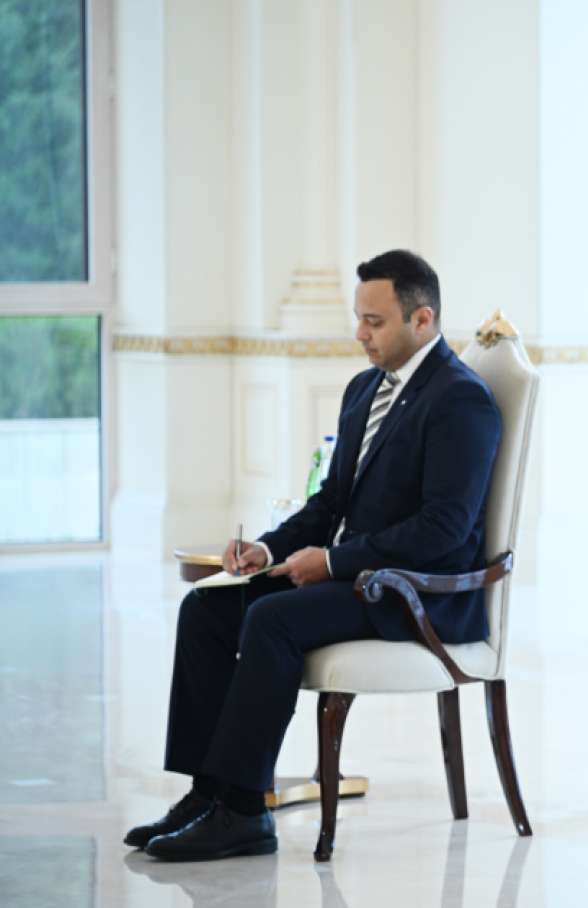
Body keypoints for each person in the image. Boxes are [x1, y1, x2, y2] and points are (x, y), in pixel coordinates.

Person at [126, 249, 502, 861]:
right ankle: (208, 793)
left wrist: (329, 564)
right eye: (359, 318)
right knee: (206, 610)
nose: (360, 334)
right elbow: (331, 502)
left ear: (423, 319)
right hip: (363, 578)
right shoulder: (364, 389)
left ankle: (245, 812)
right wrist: (267, 547)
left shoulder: (461, 400)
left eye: (374, 322)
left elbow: (443, 529)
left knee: (272, 619)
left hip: (418, 593)